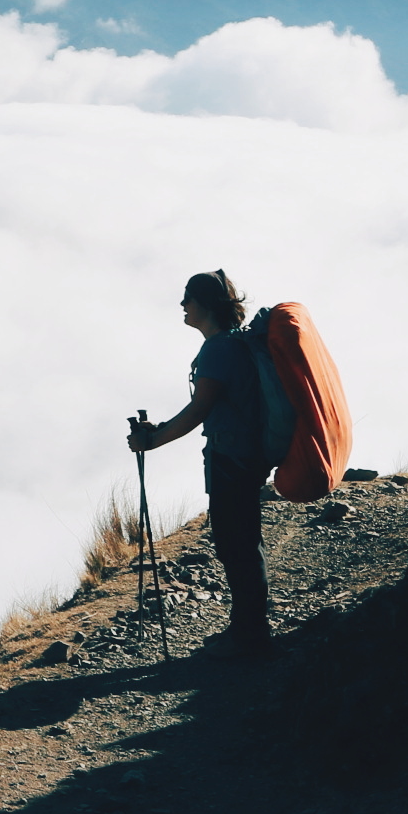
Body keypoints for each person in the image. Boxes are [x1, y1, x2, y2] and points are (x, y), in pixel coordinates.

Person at [126, 269, 276, 653]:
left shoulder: (218, 349)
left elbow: (200, 409)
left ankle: (250, 635)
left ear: (205, 304)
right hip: (246, 455)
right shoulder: (233, 345)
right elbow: (210, 406)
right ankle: (250, 629)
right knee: (241, 541)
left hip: (232, 458)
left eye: (188, 297)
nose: (182, 304)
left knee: (235, 544)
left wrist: (154, 440)